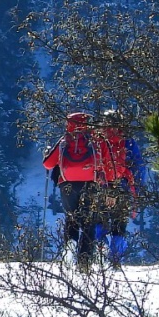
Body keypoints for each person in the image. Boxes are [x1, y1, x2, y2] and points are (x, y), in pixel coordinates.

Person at [42, 111, 103, 270]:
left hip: (67, 185)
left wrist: (47, 154)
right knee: (88, 222)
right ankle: (84, 262)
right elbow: (102, 163)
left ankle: (69, 249)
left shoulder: (64, 141)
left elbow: (48, 164)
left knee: (72, 218)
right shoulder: (94, 141)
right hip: (90, 184)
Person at [93, 110, 143, 266]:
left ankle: (100, 250)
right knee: (119, 226)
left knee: (98, 222)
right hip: (123, 188)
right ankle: (116, 259)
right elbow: (140, 167)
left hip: (100, 188)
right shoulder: (128, 142)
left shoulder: (96, 141)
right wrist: (137, 188)